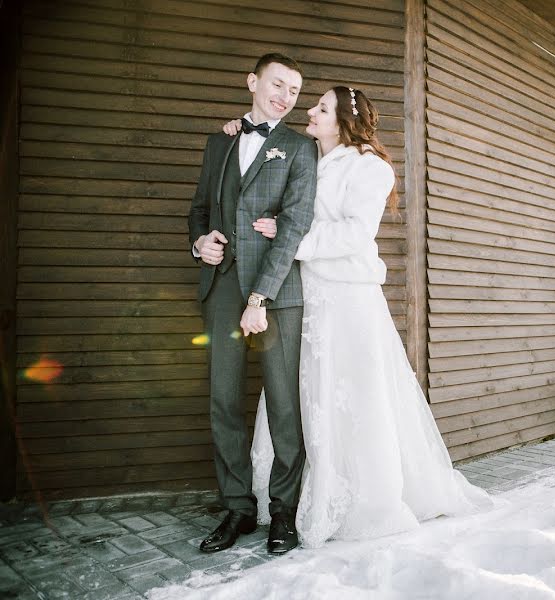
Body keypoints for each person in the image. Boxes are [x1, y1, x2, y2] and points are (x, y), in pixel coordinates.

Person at [222, 86, 492, 549]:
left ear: (344, 120)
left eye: (322, 108)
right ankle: (299, 493)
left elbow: (354, 233)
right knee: (300, 392)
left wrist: (290, 240)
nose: (311, 111)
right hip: (305, 294)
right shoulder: (307, 154)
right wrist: (235, 128)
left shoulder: (371, 168)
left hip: (348, 297)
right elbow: (266, 142)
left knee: (353, 394)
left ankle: (366, 498)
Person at [188, 53, 318, 555]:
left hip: (278, 295)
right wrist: (201, 243)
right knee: (223, 400)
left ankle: (282, 510)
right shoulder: (219, 141)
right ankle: (238, 508)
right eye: (278, 85)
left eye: (294, 91)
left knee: (284, 404)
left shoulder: (300, 148)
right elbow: (199, 209)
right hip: (222, 288)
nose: (285, 97)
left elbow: (295, 227)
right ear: (252, 82)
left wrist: (260, 295)